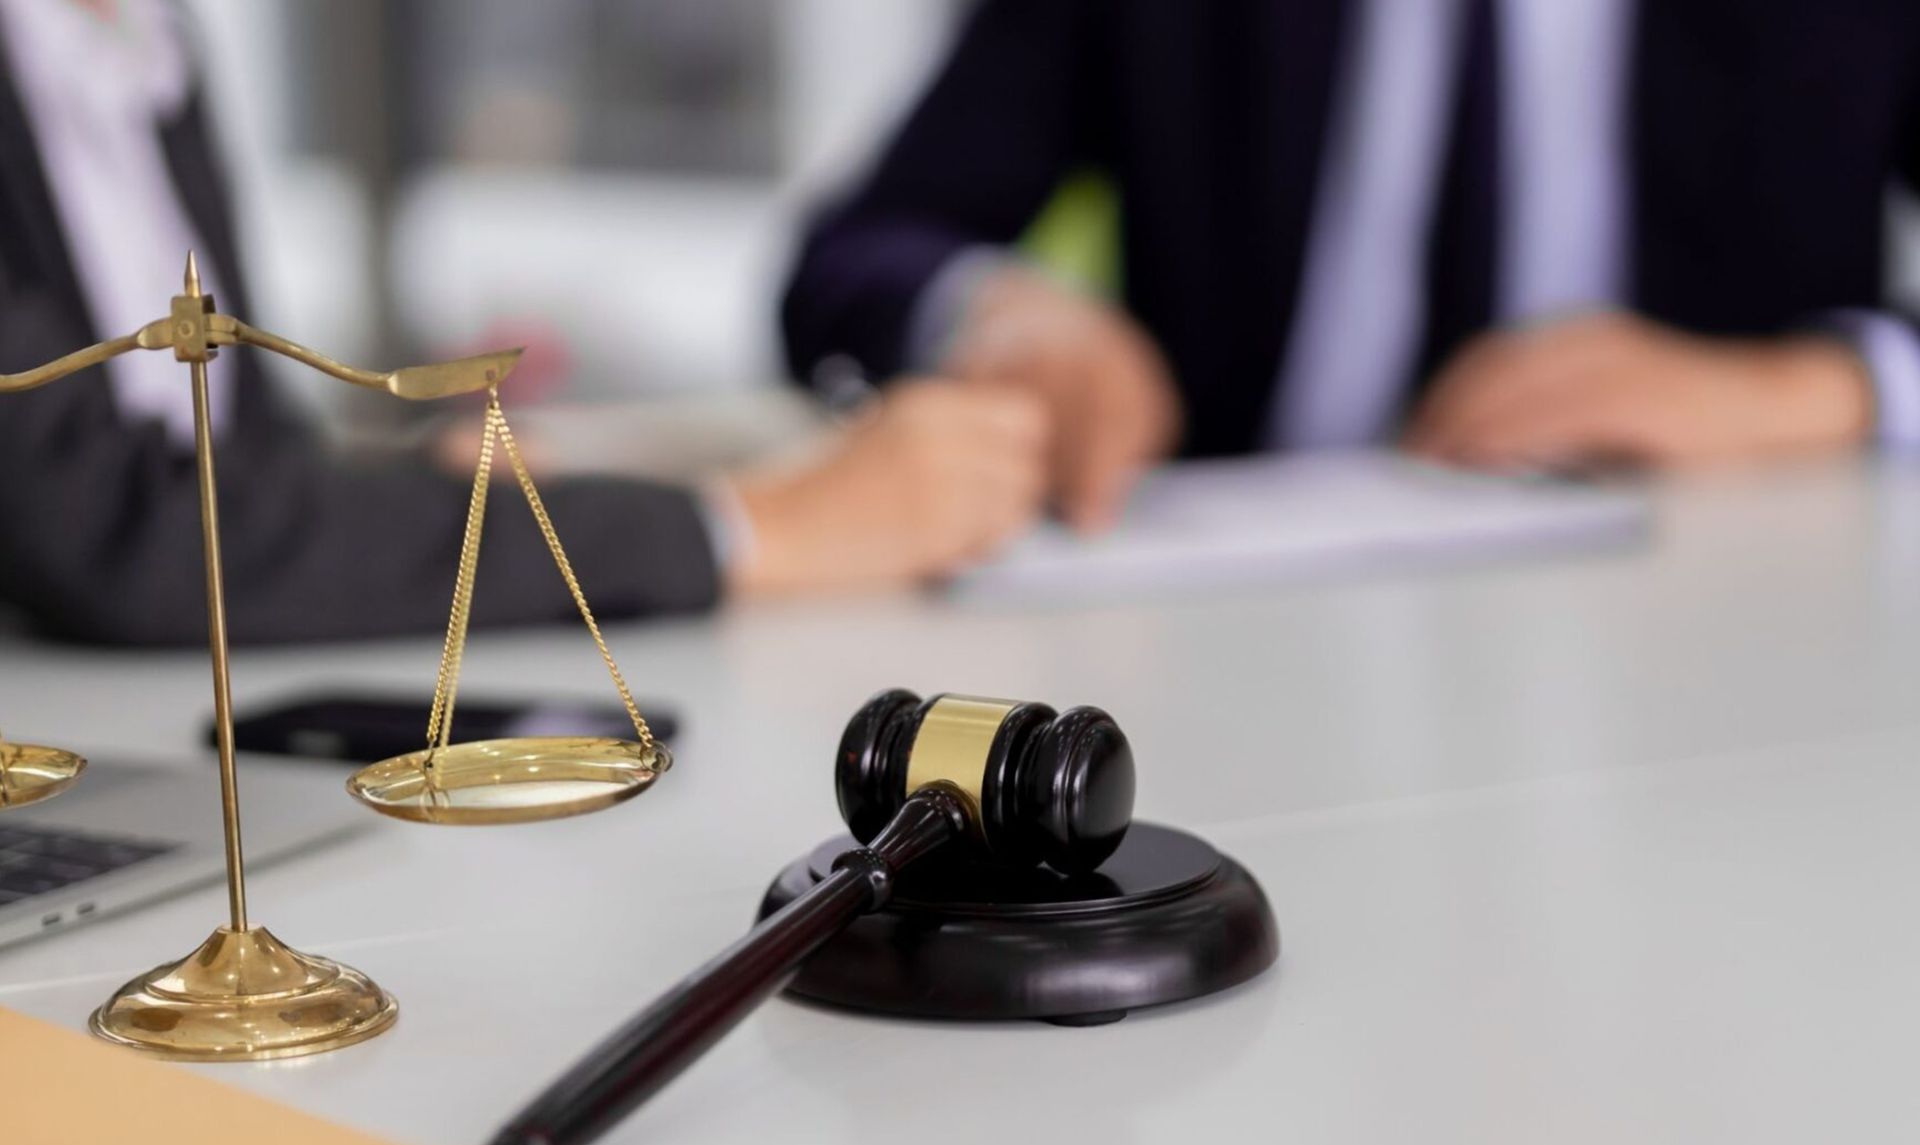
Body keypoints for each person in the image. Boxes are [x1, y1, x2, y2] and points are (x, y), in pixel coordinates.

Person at [0, 0, 1048, 645]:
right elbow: (111, 536)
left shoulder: (145, 40)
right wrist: (751, 528)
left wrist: (425, 480)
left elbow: (239, 471)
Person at [782, 0, 1920, 532]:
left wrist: (1819, 386)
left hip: (1737, 619)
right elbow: (856, 255)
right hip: (1239, 632)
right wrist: (997, 313)